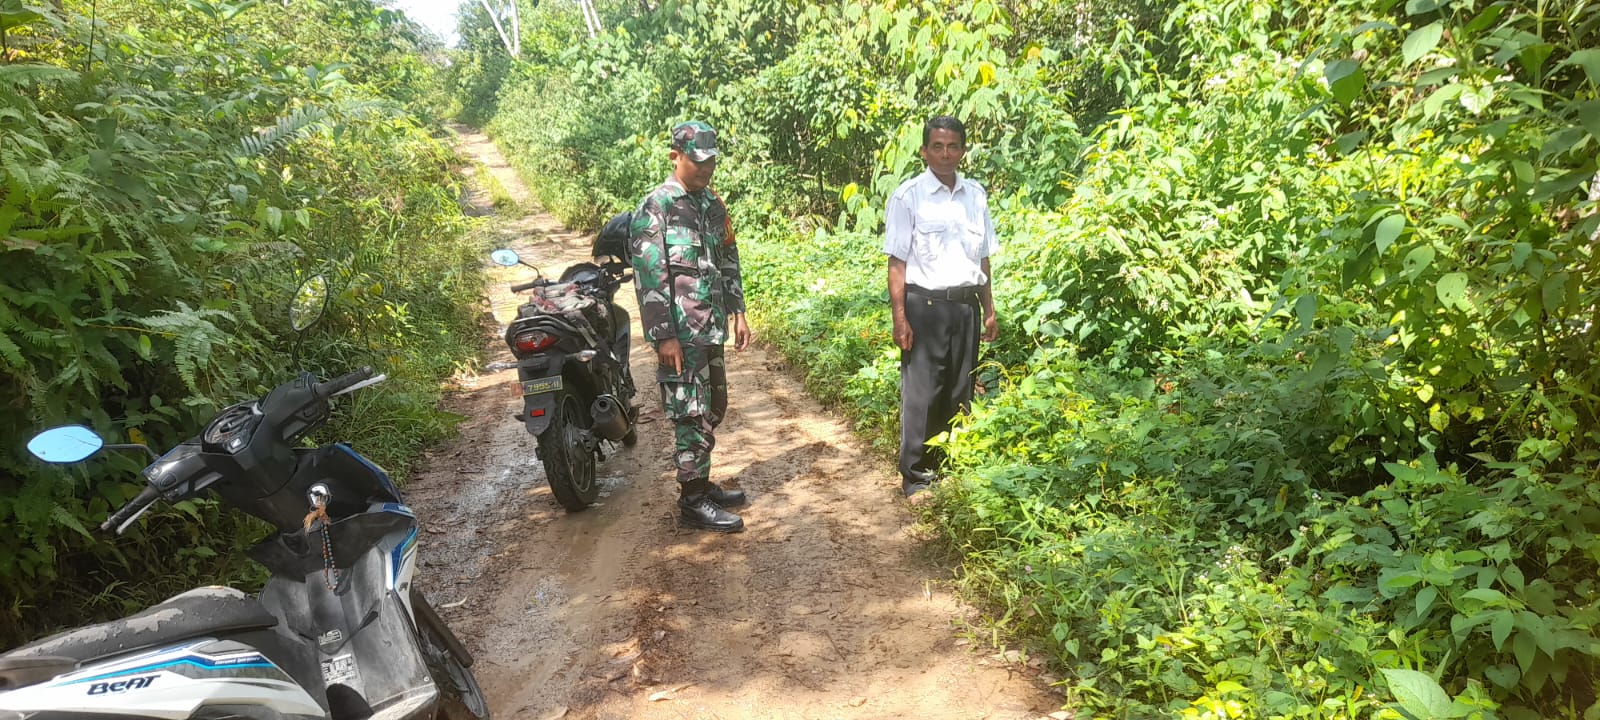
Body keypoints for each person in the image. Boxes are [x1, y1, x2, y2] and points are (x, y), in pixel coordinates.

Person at [630, 120, 753, 533]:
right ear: (675, 157)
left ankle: (701, 480)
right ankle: (693, 500)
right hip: (680, 334)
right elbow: (650, 276)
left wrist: (738, 311)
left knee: (714, 406)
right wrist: (663, 335)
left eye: (711, 162)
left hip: (711, 326)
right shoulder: (658, 206)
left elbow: (728, 260)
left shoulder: (712, 205)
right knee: (690, 413)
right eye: (698, 161)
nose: (705, 169)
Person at [883, 115, 999, 498]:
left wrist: (990, 307)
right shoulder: (908, 196)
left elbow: (982, 257)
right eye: (937, 146)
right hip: (925, 306)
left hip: (966, 307)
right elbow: (897, 263)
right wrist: (900, 319)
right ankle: (914, 475)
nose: (945, 154)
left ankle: (946, 466)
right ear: (924, 151)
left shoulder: (976, 196)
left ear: (963, 150)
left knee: (958, 389)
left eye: (953, 146)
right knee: (923, 392)